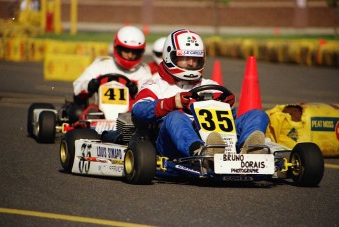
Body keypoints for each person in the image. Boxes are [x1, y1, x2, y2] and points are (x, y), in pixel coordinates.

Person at [132, 29, 269, 160]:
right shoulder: (156, 84)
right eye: (185, 57)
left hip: (215, 137)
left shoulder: (210, 85)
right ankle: (201, 152)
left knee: (257, 114)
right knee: (175, 117)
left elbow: (226, 122)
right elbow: (138, 110)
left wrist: (226, 107)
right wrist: (171, 103)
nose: (191, 63)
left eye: (195, 58)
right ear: (170, 56)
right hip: (171, 143)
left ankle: (250, 150)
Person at [68, 25, 152, 122]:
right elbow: (77, 87)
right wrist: (89, 86)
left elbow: (149, 98)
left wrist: (136, 91)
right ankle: (89, 127)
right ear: (117, 48)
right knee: (78, 112)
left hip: (129, 115)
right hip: (100, 113)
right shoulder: (102, 65)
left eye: (135, 52)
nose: (130, 55)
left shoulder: (142, 72)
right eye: (126, 50)